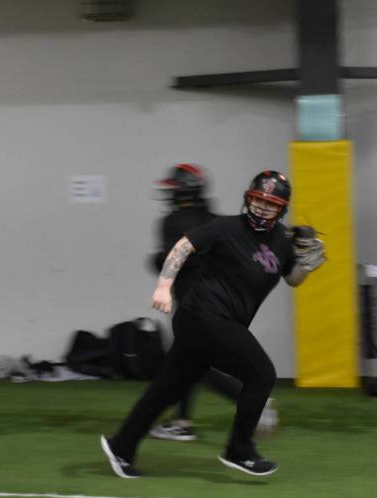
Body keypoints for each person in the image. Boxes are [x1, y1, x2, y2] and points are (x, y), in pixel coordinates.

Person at [101, 169, 322, 478]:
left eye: (271, 203)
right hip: (202, 317)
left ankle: (121, 447)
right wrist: (163, 286)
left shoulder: (281, 241)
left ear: (282, 208)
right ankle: (239, 450)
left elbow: (293, 279)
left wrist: (308, 261)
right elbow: (182, 247)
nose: (262, 207)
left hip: (215, 322)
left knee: (166, 389)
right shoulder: (226, 227)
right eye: (258, 200)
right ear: (248, 199)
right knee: (262, 374)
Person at [146, 164, 243, 442]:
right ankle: (182, 422)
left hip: (193, 304)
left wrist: (154, 261)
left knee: (191, 365)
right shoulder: (216, 220)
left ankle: (251, 398)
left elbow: (170, 263)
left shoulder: (172, 222)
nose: (170, 194)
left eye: (174, 188)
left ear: (184, 191)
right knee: (188, 360)